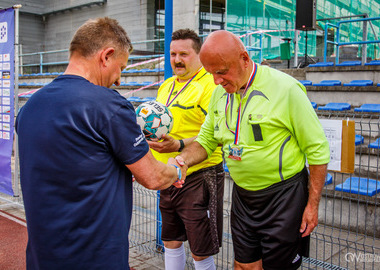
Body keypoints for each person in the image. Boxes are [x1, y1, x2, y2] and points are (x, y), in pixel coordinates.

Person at [16, 17, 185, 270]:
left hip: (42, 257)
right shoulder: (108, 105)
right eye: (121, 68)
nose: (118, 80)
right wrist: (176, 169)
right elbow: (154, 178)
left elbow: (68, 166)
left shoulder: (29, 107)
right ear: (106, 56)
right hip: (95, 257)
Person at [174, 30, 330, 270]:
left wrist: (312, 205)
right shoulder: (220, 94)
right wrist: (182, 159)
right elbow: (206, 140)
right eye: (210, 73)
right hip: (244, 198)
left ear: (244, 59)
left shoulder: (286, 89)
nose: (216, 81)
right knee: (244, 265)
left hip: (283, 198)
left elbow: (318, 149)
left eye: (222, 71)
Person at [148, 29, 224, 270]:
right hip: (168, 174)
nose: (177, 60)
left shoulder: (211, 86)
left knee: (200, 249)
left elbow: (216, 133)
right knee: (170, 239)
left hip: (200, 175)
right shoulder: (166, 86)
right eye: (172, 54)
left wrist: (179, 145)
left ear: (198, 54)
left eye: (184, 54)